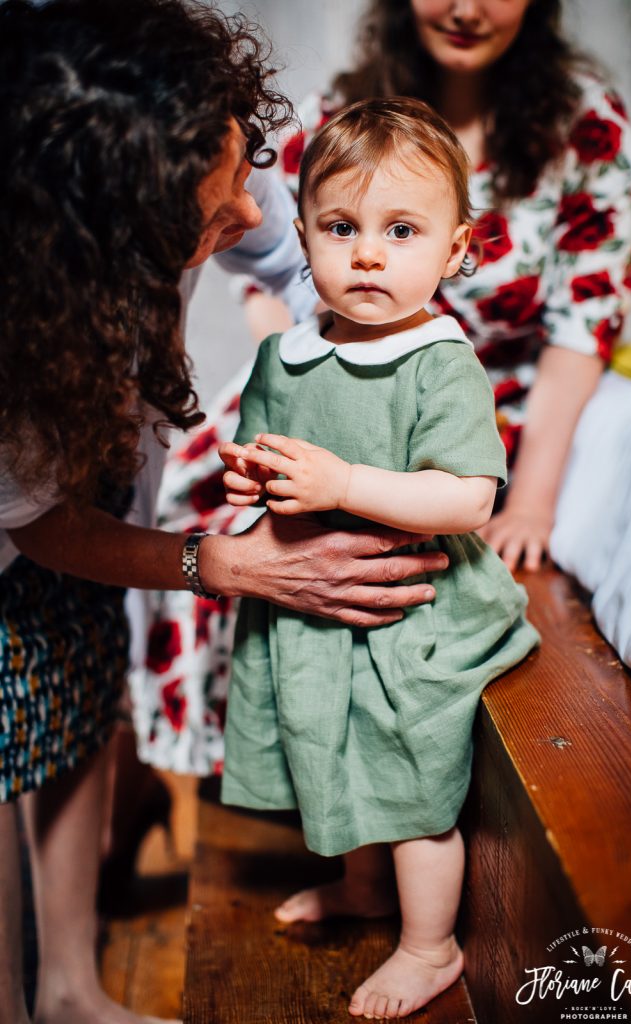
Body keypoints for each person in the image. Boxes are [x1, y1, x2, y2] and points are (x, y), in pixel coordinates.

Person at [0, 3, 450, 1022]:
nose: (248, 217)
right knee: (4, 732)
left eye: (241, 173)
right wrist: (232, 564)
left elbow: (297, 267)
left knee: (75, 690)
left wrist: (380, 371)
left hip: (90, 455)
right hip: (24, 506)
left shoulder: (195, 151)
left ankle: (70, 986)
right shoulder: (20, 327)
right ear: (98, 247)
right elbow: (38, 524)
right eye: (206, 220)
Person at [138, 0, 631, 778]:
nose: (466, 8)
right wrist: (298, 387)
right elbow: (275, 264)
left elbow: (585, 326)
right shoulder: (339, 114)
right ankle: (193, 757)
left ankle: (338, 761)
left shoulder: (589, 130)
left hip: (482, 393)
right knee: (199, 493)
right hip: (328, 363)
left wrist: (535, 497)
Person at [219, 98, 540, 1020]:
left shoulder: (441, 362)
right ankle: (362, 890)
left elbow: (469, 498)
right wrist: (252, 481)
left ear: (454, 249)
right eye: (340, 227)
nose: (366, 254)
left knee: (405, 767)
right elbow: (274, 457)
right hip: (313, 604)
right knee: (332, 748)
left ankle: (428, 945)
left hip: (411, 608)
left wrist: (343, 484)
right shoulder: (288, 352)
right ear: (306, 234)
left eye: (401, 230)